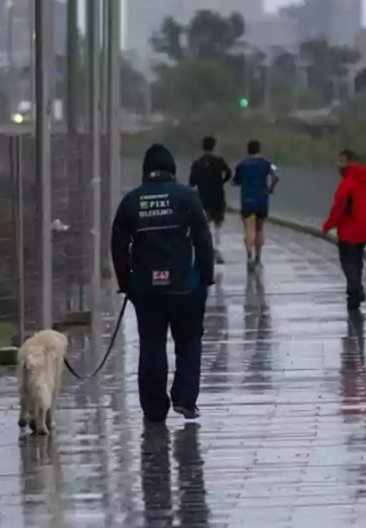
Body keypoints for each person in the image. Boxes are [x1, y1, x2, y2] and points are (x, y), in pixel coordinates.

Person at [111, 143, 215, 423]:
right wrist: (206, 277)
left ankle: (154, 409)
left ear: (146, 171)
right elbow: (203, 240)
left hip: (146, 288)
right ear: (173, 170)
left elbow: (119, 244)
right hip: (185, 285)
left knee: (152, 345)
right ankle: (184, 399)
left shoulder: (132, 201)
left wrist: (126, 282)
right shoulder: (187, 197)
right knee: (189, 341)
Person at [321, 149, 366, 311]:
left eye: (341, 161)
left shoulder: (346, 185)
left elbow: (338, 208)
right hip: (363, 230)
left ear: (349, 163)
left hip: (348, 229)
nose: (338, 165)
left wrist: (327, 226)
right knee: (357, 261)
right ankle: (356, 288)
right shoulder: (365, 182)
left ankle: (355, 289)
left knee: (347, 262)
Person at [231, 139, 280, 269]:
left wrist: (242, 182)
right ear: (259, 149)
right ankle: (258, 258)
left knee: (249, 229)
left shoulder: (241, 164)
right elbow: (276, 176)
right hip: (262, 199)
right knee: (259, 229)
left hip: (247, 200)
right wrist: (271, 189)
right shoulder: (266, 163)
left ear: (248, 150)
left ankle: (249, 257)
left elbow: (234, 181)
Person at [188, 136, 232, 264]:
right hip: (218, 196)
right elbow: (229, 173)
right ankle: (217, 249)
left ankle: (206, 251)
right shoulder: (219, 161)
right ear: (214, 146)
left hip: (203, 197)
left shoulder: (197, 163)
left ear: (203, 147)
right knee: (218, 224)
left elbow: (191, 182)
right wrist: (221, 181)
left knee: (204, 225)